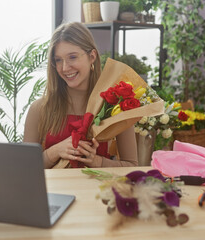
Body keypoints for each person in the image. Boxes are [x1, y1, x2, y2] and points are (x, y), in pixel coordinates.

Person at [24, 22, 138, 169]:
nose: (65, 68)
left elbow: (132, 167)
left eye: (72, 57)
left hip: (98, 191)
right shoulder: (39, 109)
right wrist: (55, 152)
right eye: (58, 60)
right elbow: (25, 167)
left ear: (92, 56)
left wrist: (96, 161)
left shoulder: (115, 106)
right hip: (54, 192)